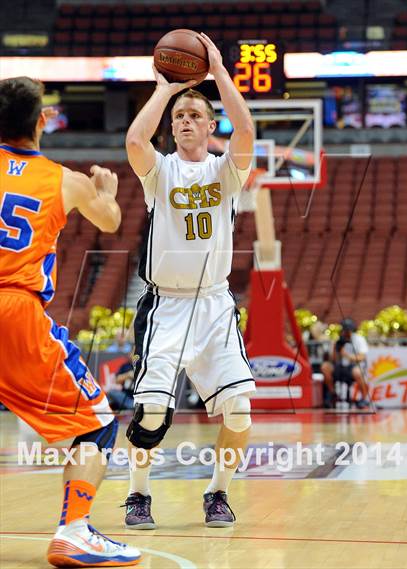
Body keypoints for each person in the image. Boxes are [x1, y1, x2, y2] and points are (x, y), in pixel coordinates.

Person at [0, 77, 141, 567]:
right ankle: (74, 531)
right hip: (15, 312)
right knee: (98, 422)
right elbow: (111, 222)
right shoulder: (65, 179)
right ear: (42, 120)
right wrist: (108, 189)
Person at [124, 32, 256, 529]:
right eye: (179, 116)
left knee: (239, 412)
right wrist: (165, 87)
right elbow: (135, 141)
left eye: (194, 115)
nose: (184, 121)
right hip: (166, 306)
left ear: (209, 124)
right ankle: (138, 495)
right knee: (153, 413)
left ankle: (217, 492)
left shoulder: (227, 173)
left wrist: (218, 72)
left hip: (215, 305)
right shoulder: (160, 171)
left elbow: (246, 132)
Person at [321, 318, 370, 409]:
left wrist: (346, 354)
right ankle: (333, 394)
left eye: (348, 330)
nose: (346, 333)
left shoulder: (359, 339)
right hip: (339, 367)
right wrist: (335, 348)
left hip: (353, 367)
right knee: (325, 367)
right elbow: (333, 360)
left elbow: (361, 357)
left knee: (358, 372)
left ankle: (364, 399)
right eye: (345, 330)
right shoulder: (338, 340)